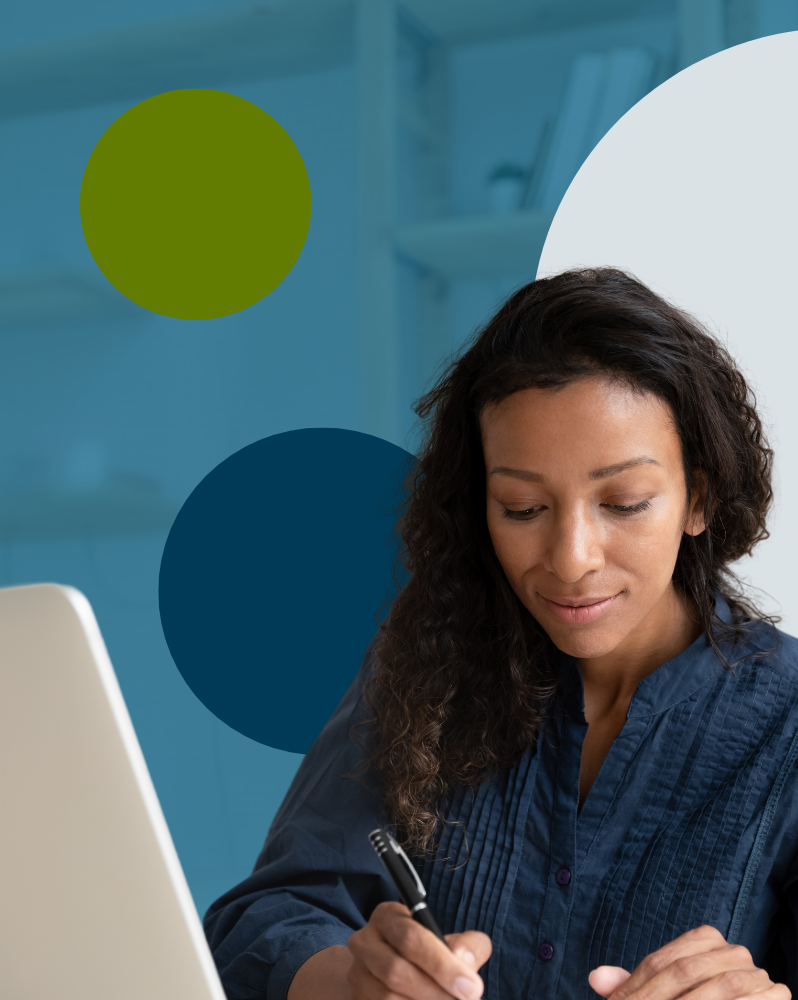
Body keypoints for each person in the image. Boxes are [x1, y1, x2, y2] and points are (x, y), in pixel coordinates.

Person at [204, 268, 798, 1000]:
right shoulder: (432, 657)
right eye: (522, 508)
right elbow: (266, 918)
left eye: (624, 502)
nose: (571, 559)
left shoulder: (789, 719)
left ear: (697, 499)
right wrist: (346, 979)